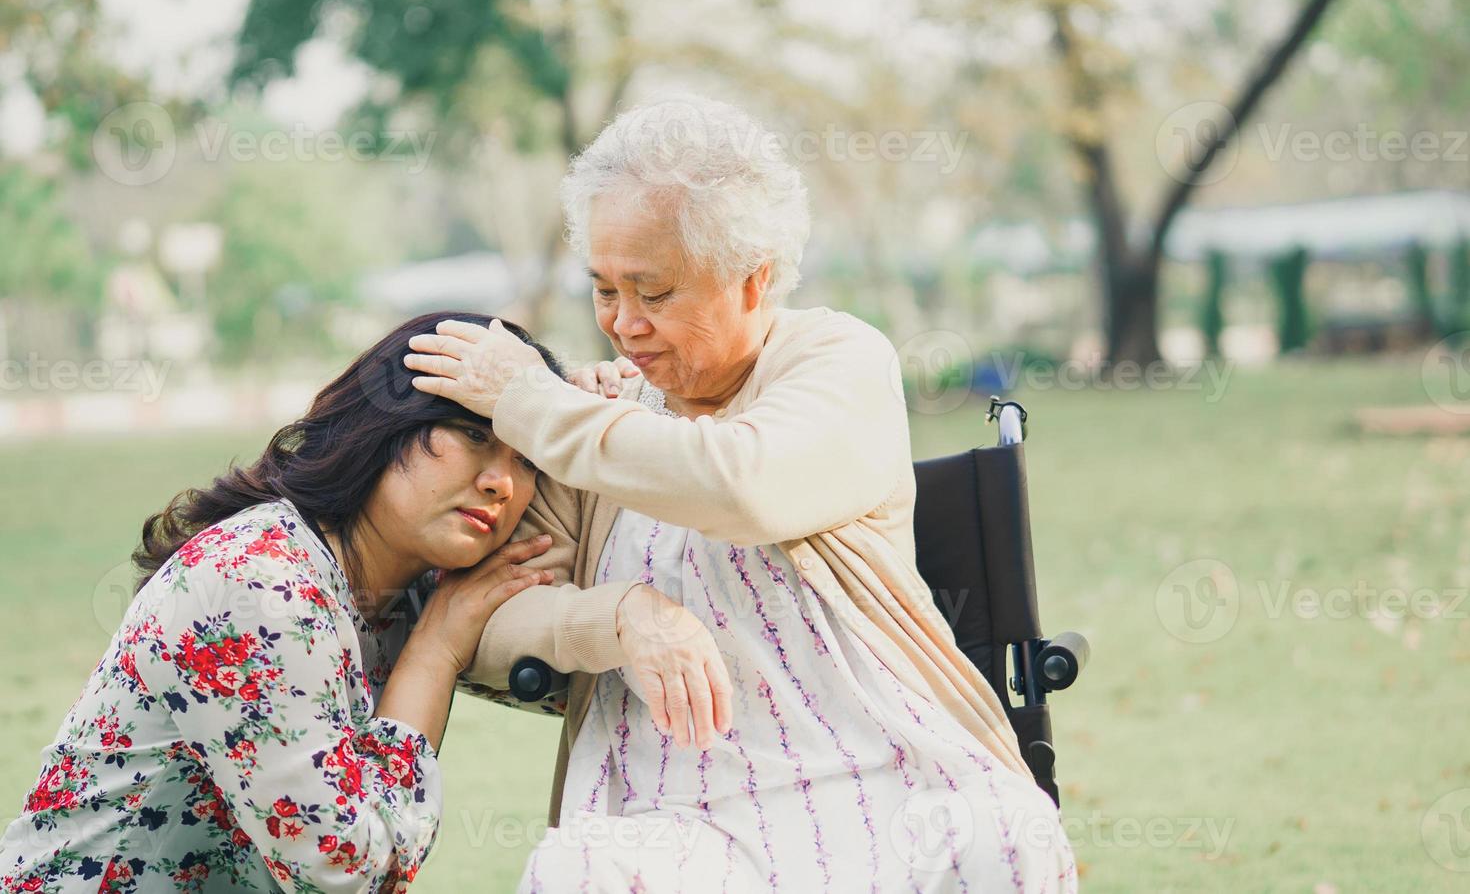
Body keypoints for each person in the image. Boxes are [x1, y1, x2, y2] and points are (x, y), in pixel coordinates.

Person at [404, 95, 1080, 891]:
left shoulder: (839, 361)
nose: (623, 324)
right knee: (582, 870)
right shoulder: (599, 421)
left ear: (755, 280)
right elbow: (486, 616)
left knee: (1007, 833)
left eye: (653, 293)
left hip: (887, 782)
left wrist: (534, 402)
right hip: (681, 818)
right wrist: (619, 617)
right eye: (604, 289)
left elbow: (742, 484)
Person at [0, 312, 564, 893]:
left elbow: (581, 693)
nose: (504, 482)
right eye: (474, 435)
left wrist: (606, 419)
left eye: (527, 459)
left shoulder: (407, 591)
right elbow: (345, 875)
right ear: (385, 424)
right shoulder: (258, 583)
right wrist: (435, 654)